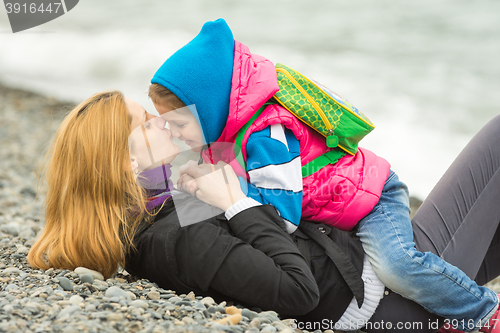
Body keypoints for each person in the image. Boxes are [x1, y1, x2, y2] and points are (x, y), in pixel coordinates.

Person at [27, 90, 500, 332]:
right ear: (124, 163)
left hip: (376, 277)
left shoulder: (164, 215)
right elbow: (298, 291)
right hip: (392, 301)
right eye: (145, 124)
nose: (160, 122)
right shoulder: (173, 237)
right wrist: (236, 204)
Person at [148, 18, 500, 332]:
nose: (174, 133)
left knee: (398, 265)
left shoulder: (267, 136)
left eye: (179, 123)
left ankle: (484, 313)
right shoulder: (224, 138)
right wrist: (203, 186)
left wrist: (227, 190)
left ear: (210, 108)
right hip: (340, 211)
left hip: (372, 199)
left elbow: (283, 217)